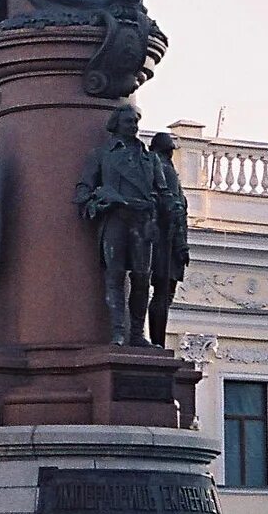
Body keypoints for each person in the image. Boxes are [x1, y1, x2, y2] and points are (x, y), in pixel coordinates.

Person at [76, 104, 160, 345]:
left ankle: (137, 334)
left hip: (142, 222)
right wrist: (96, 203)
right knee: (114, 276)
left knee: (142, 278)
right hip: (115, 220)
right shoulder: (102, 155)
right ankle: (118, 332)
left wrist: (162, 218)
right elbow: (83, 189)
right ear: (116, 125)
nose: (133, 126)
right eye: (128, 122)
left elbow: (162, 193)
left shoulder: (149, 158)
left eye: (135, 122)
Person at [144, 131, 189, 346]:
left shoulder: (152, 168)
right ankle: (158, 342)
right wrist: (181, 244)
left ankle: (155, 341)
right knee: (163, 294)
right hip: (167, 241)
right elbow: (174, 208)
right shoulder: (166, 171)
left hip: (157, 238)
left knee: (159, 293)